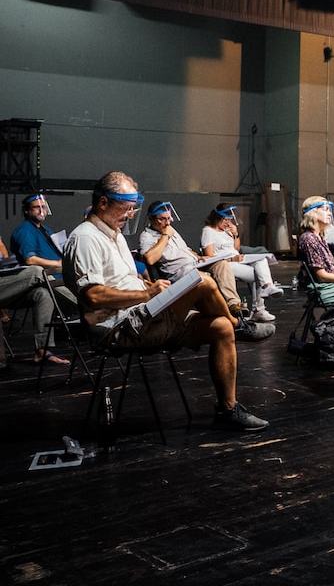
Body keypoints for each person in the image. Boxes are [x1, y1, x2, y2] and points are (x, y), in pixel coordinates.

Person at [62, 171, 267, 430]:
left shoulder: (115, 234)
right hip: (119, 326)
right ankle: (239, 324)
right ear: (103, 203)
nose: (130, 215)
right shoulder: (86, 237)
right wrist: (147, 295)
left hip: (143, 316)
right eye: (126, 208)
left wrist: (150, 288)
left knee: (221, 328)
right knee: (203, 282)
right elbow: (93, 295)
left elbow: (124, 281)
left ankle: (228, 408)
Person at [138, 201, 269, 341]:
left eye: (169, 218)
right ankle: (237, 324)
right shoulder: (147, 236)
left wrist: (198, 256)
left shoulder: (171, 230)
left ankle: (234, 306)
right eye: (162, 219)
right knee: (207, 279)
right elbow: (150, 259)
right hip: (179, 272)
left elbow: (184, 249)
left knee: (221, 265)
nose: (168, 222)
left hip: (194, 264)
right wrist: (165, 236)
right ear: (152, 219)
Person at [8, 192, 76, 364]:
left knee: (44, 296)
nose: (41, 210)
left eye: (43, 207)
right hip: (40, 279)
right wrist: (57, 263)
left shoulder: (46, 230)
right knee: (81, 299)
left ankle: (42, 350)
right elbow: (30, 260)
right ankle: (91, 310)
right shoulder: (25, 231)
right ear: (27, 211)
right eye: (36, 207)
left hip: (55, 279)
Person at [201, 203, 283, 322]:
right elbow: (209, 256)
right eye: (225, 220)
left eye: (229, 220)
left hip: (237, 259)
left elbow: (236, 249)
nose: (228, 223)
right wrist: (231, 259)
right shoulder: (208, 231)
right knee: (258, 274)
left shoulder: (227, 230)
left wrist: (236, 235)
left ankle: (268, 286)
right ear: (217, 218)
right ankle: (259, 309)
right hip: (225, 264)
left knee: (261, 260)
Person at [297, 196, 334, 305]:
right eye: (325, 209)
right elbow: (322, 276)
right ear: (313, 213)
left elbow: (329, 270)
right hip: (323, 288)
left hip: (330, 285)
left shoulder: (320, 237)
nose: (329, 214)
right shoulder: (309, 238)